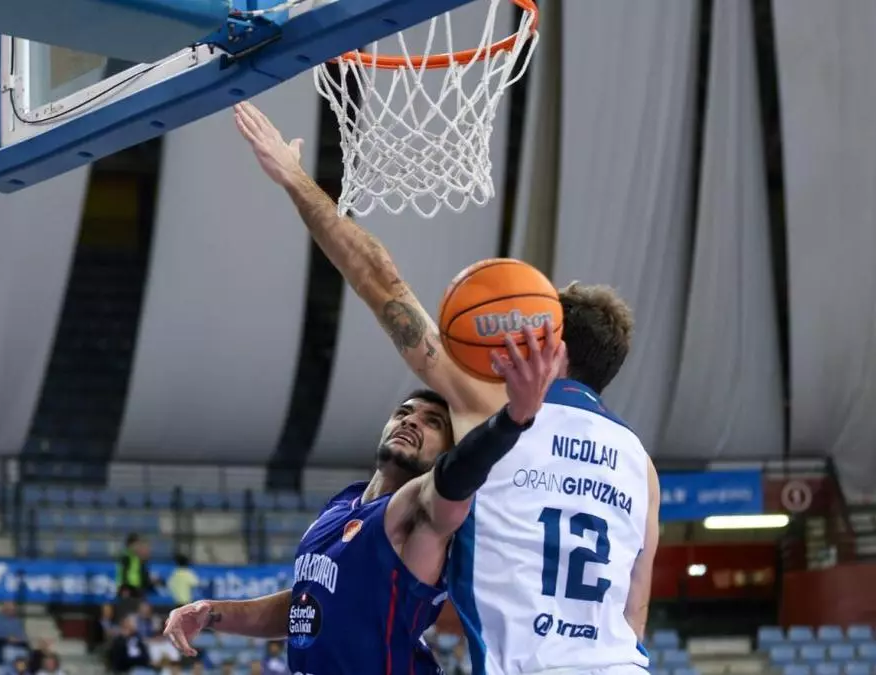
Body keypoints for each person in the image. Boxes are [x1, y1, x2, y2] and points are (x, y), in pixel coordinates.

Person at [233, 100, 660, 675]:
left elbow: (379, 280)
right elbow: (635, 613)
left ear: (550, 345)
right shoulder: (641, 465)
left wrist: (295, 180)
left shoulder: (491, 405)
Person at [164, 327, 562, 674]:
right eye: (403, 413)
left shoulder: (419, 512)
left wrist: (512, 419)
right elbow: (304, 605)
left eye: (432, 422)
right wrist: (212, 612)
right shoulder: (342, 504)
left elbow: (455, 479)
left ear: (448, 452)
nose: (411, 420)